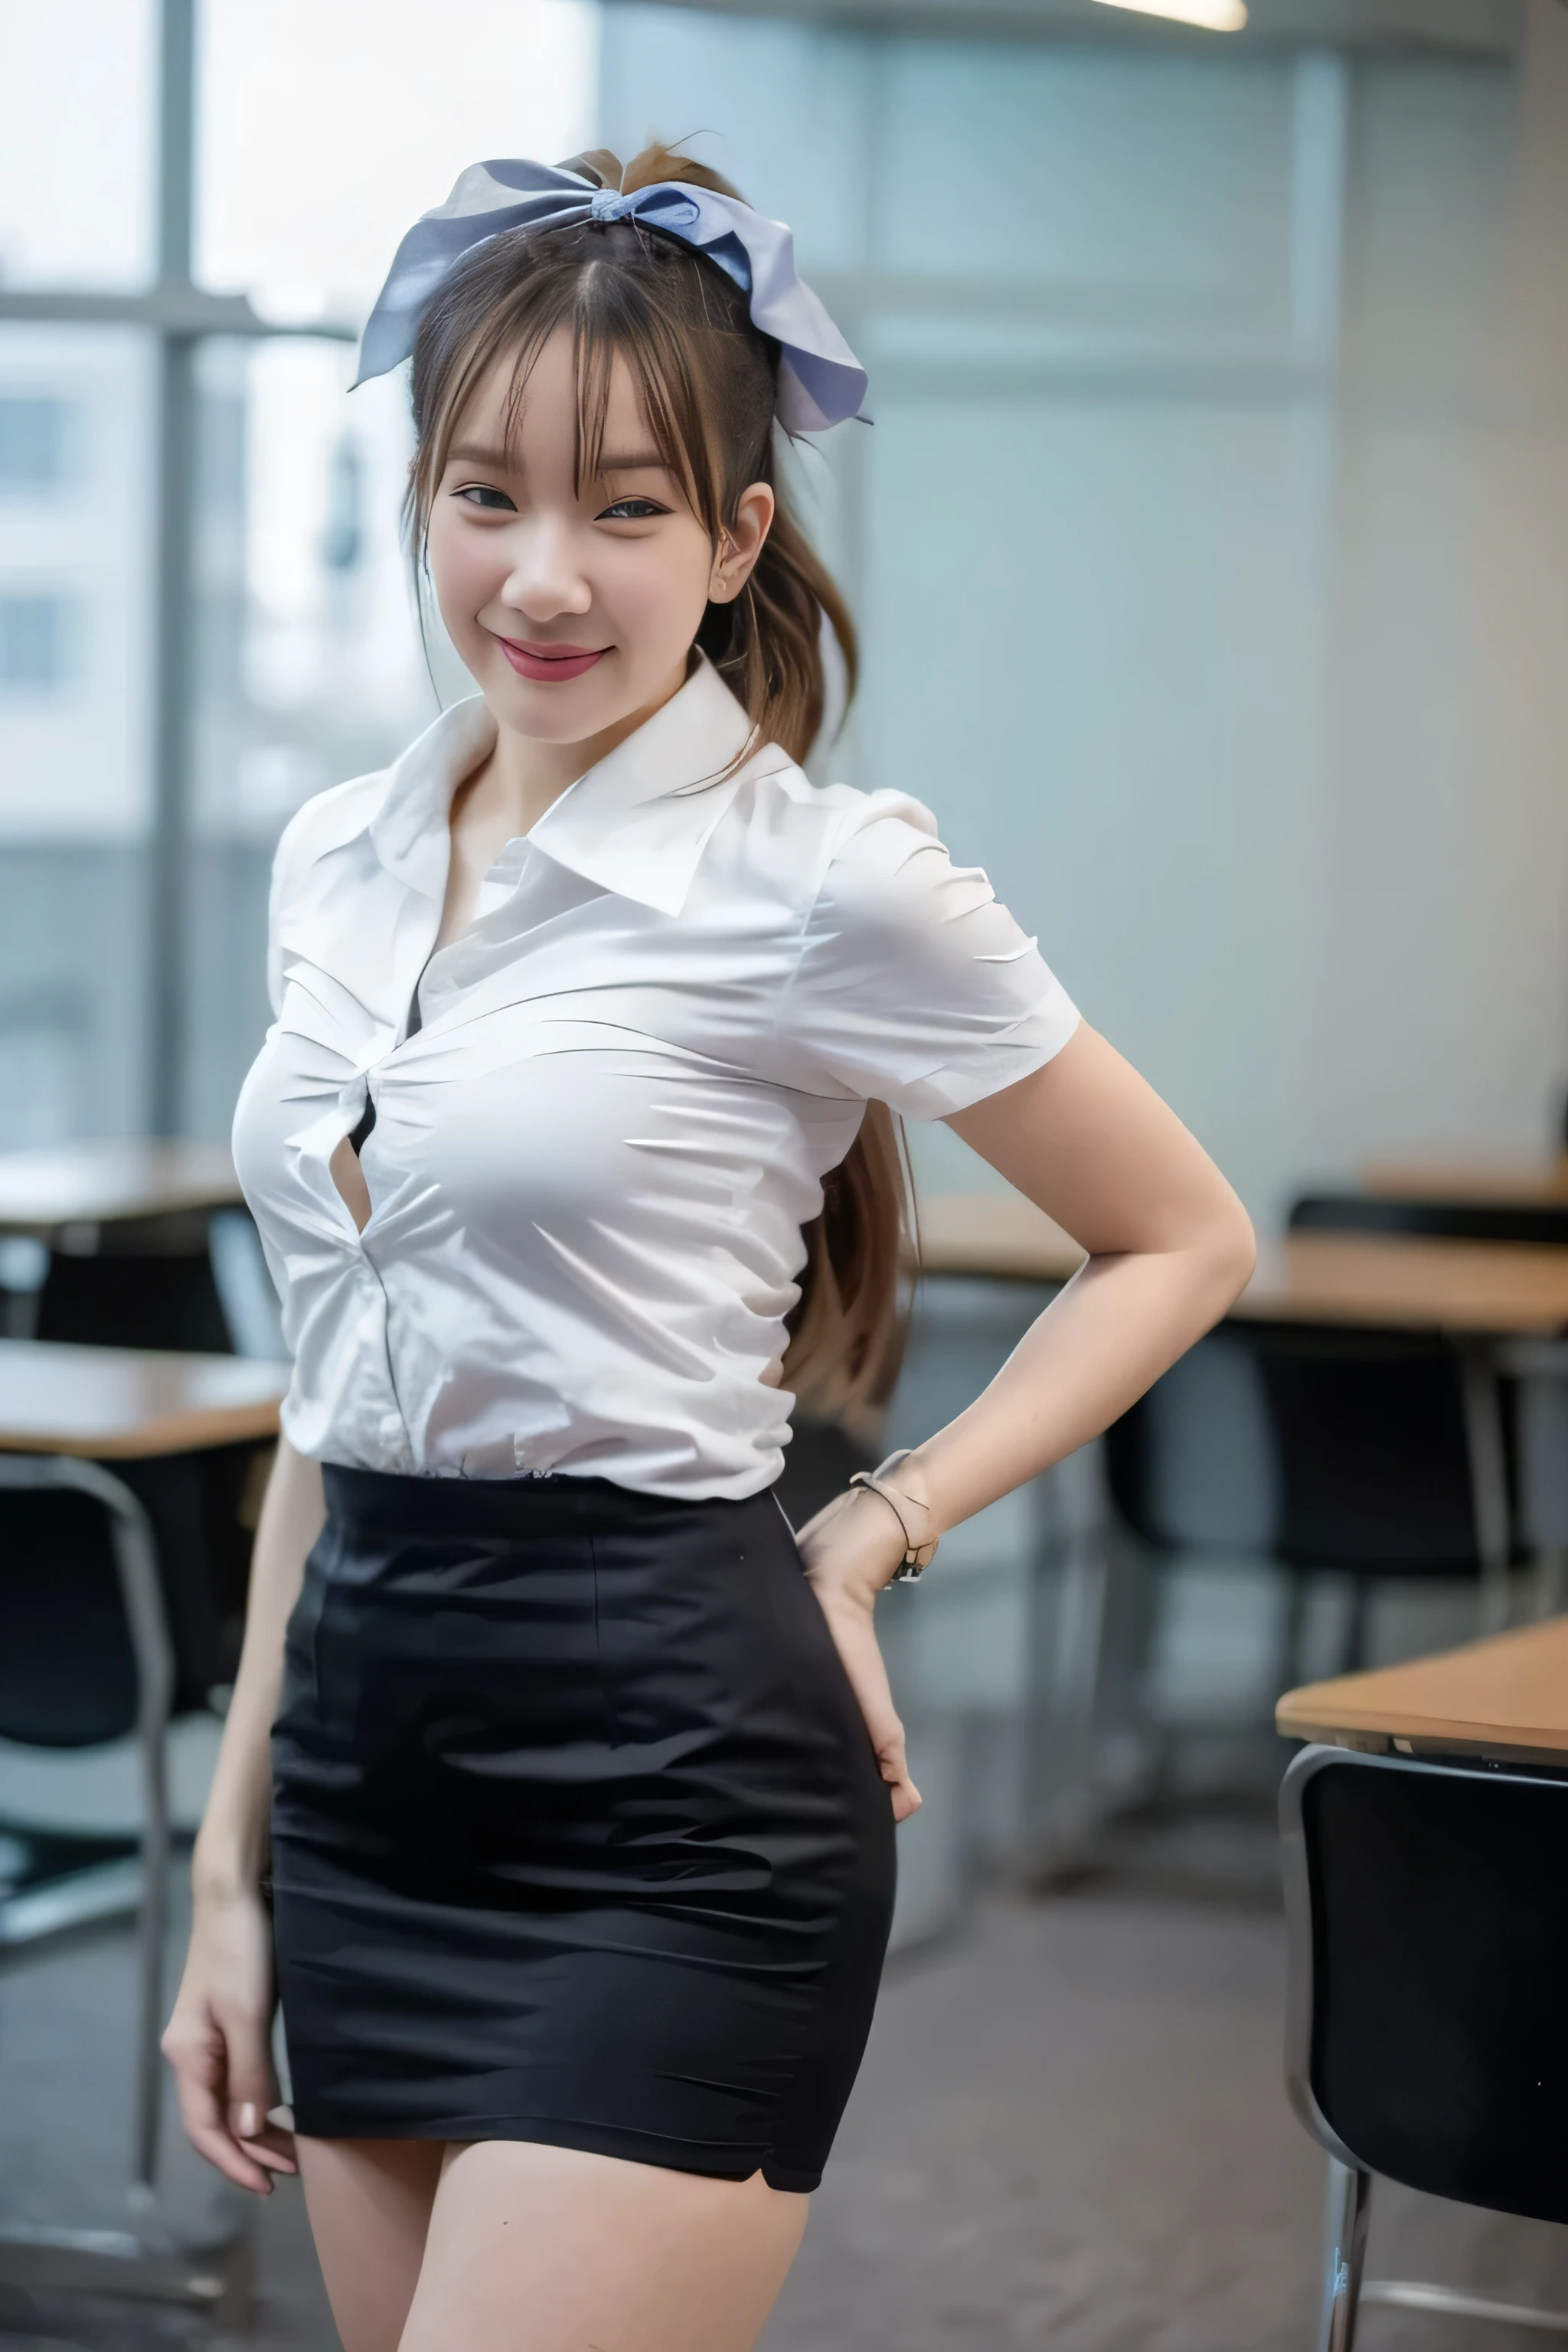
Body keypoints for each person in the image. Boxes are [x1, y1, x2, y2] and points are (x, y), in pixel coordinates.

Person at [161, 145, 1256, 2352]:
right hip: (366, 1773)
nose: (542, 578)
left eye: (630, 509)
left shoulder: (822, 880)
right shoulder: (338, 859)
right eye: (486, 496)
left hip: (673, 1791)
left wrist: (871, 1532)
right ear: (417, 498)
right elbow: (332, 1393)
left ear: (741, 535)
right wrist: (225, 1867)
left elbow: (1181, 1234)